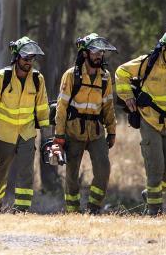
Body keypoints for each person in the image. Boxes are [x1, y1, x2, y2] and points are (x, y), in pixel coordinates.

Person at [115, 28, 166, 216]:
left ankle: (151, 193)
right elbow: (121, 72)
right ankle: (154, 213)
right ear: (164, 47)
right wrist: (127, 97)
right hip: (149, 119)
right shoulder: (148, 62)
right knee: (155, 166)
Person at [0, 37, 50, 213]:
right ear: (16, 57)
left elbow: (42, 110)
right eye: (26, 58)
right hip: (3, 135)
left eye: (32, 59)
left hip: (27, 134)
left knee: (26, 174)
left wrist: (48, 139)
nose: (29, 62)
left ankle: (22, 211)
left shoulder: (37, 79)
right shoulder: (1, 77)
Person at [54, 33, 117, 213]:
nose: (99, 55)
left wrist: (112, 131)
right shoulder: (71, 76)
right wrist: (59, 136)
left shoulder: (105, 77)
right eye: (95, 51)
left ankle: (93, 208)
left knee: (103, 169)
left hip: (96, 132)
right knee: (72, 174)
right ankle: (73, 211)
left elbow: (108, 106)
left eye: (101, 52)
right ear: (85, 53)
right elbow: (61, 107)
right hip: (74, 131)